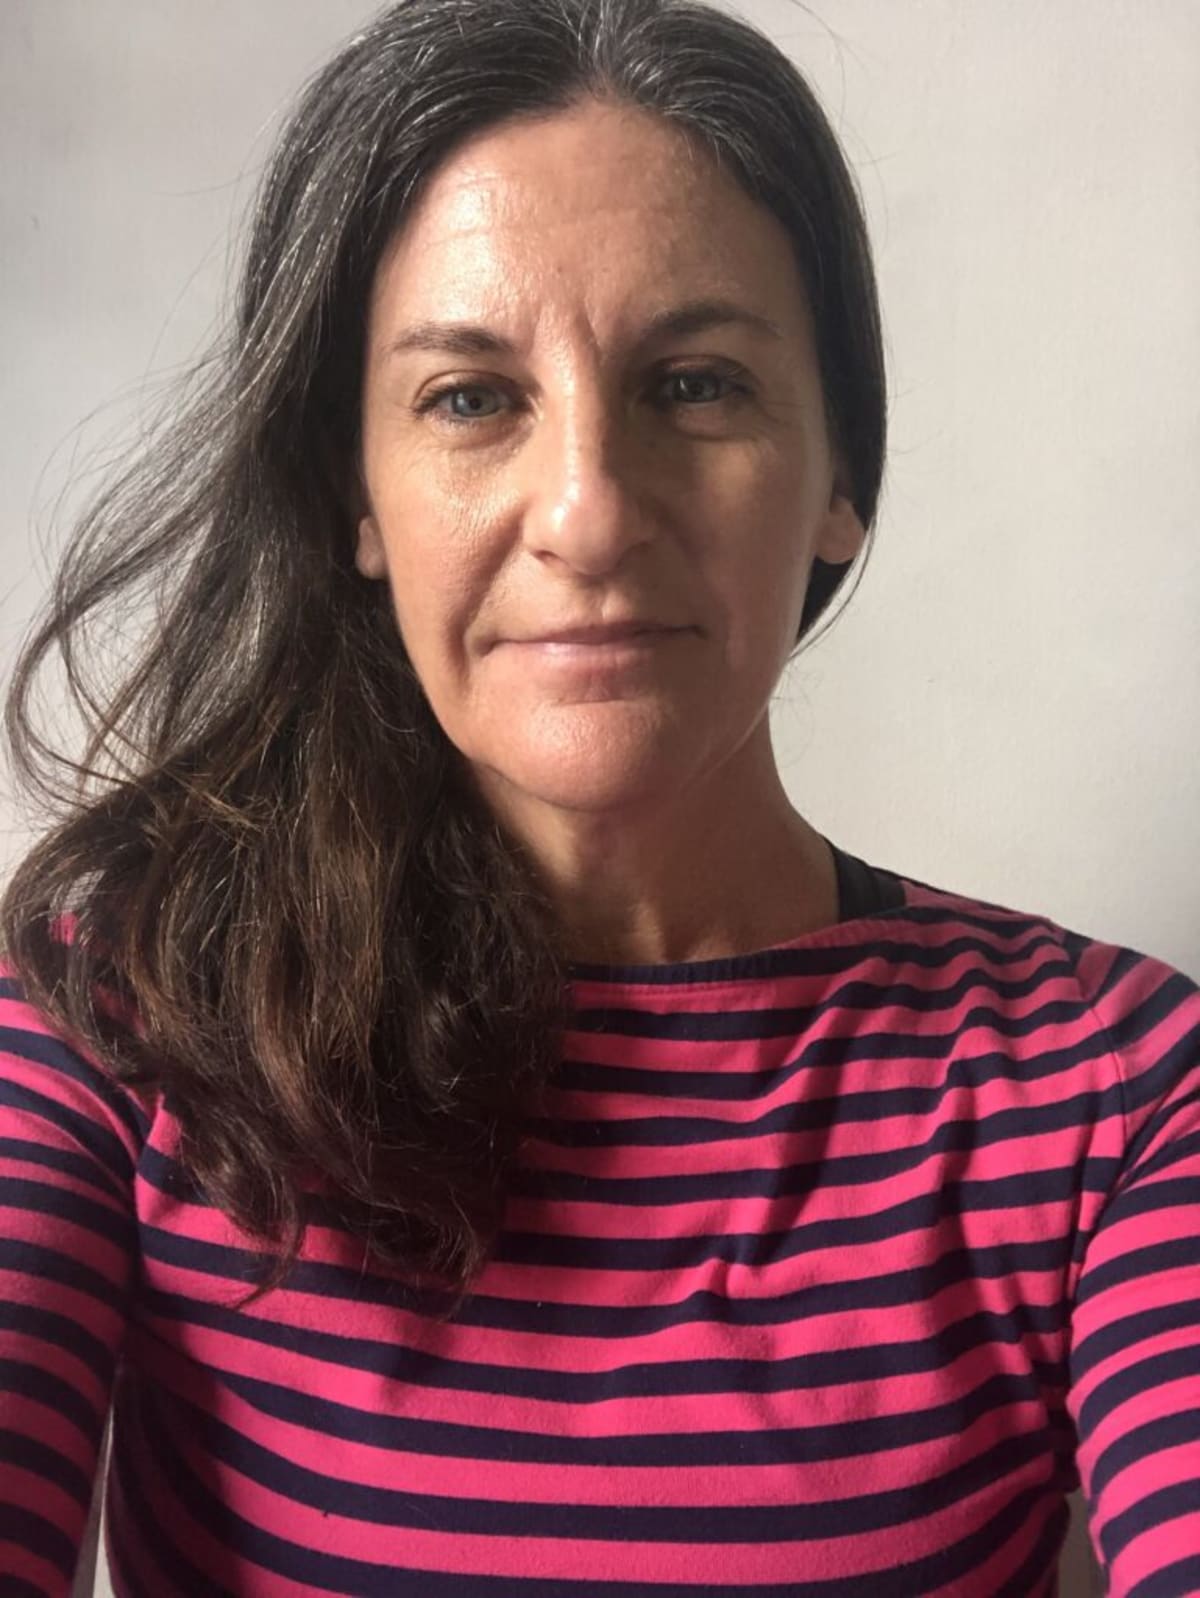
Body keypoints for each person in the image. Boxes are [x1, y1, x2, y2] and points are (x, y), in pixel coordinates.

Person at [0, 0, 1196, 1592]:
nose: (587, 513)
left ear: (841, 474)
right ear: (355, 497)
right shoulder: (116, 1017)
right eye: (469, 397)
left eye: (695, 385)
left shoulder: (1114, 1091)